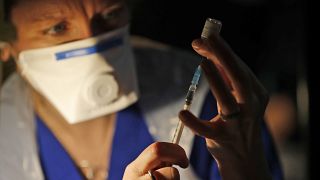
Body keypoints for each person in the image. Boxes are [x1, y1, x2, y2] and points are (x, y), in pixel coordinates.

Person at [0, 0, 283, 179]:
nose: (95, 46)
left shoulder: (212, 107)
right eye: (57, 27)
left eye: (110, 14)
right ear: (6, 47)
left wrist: (246, 168)